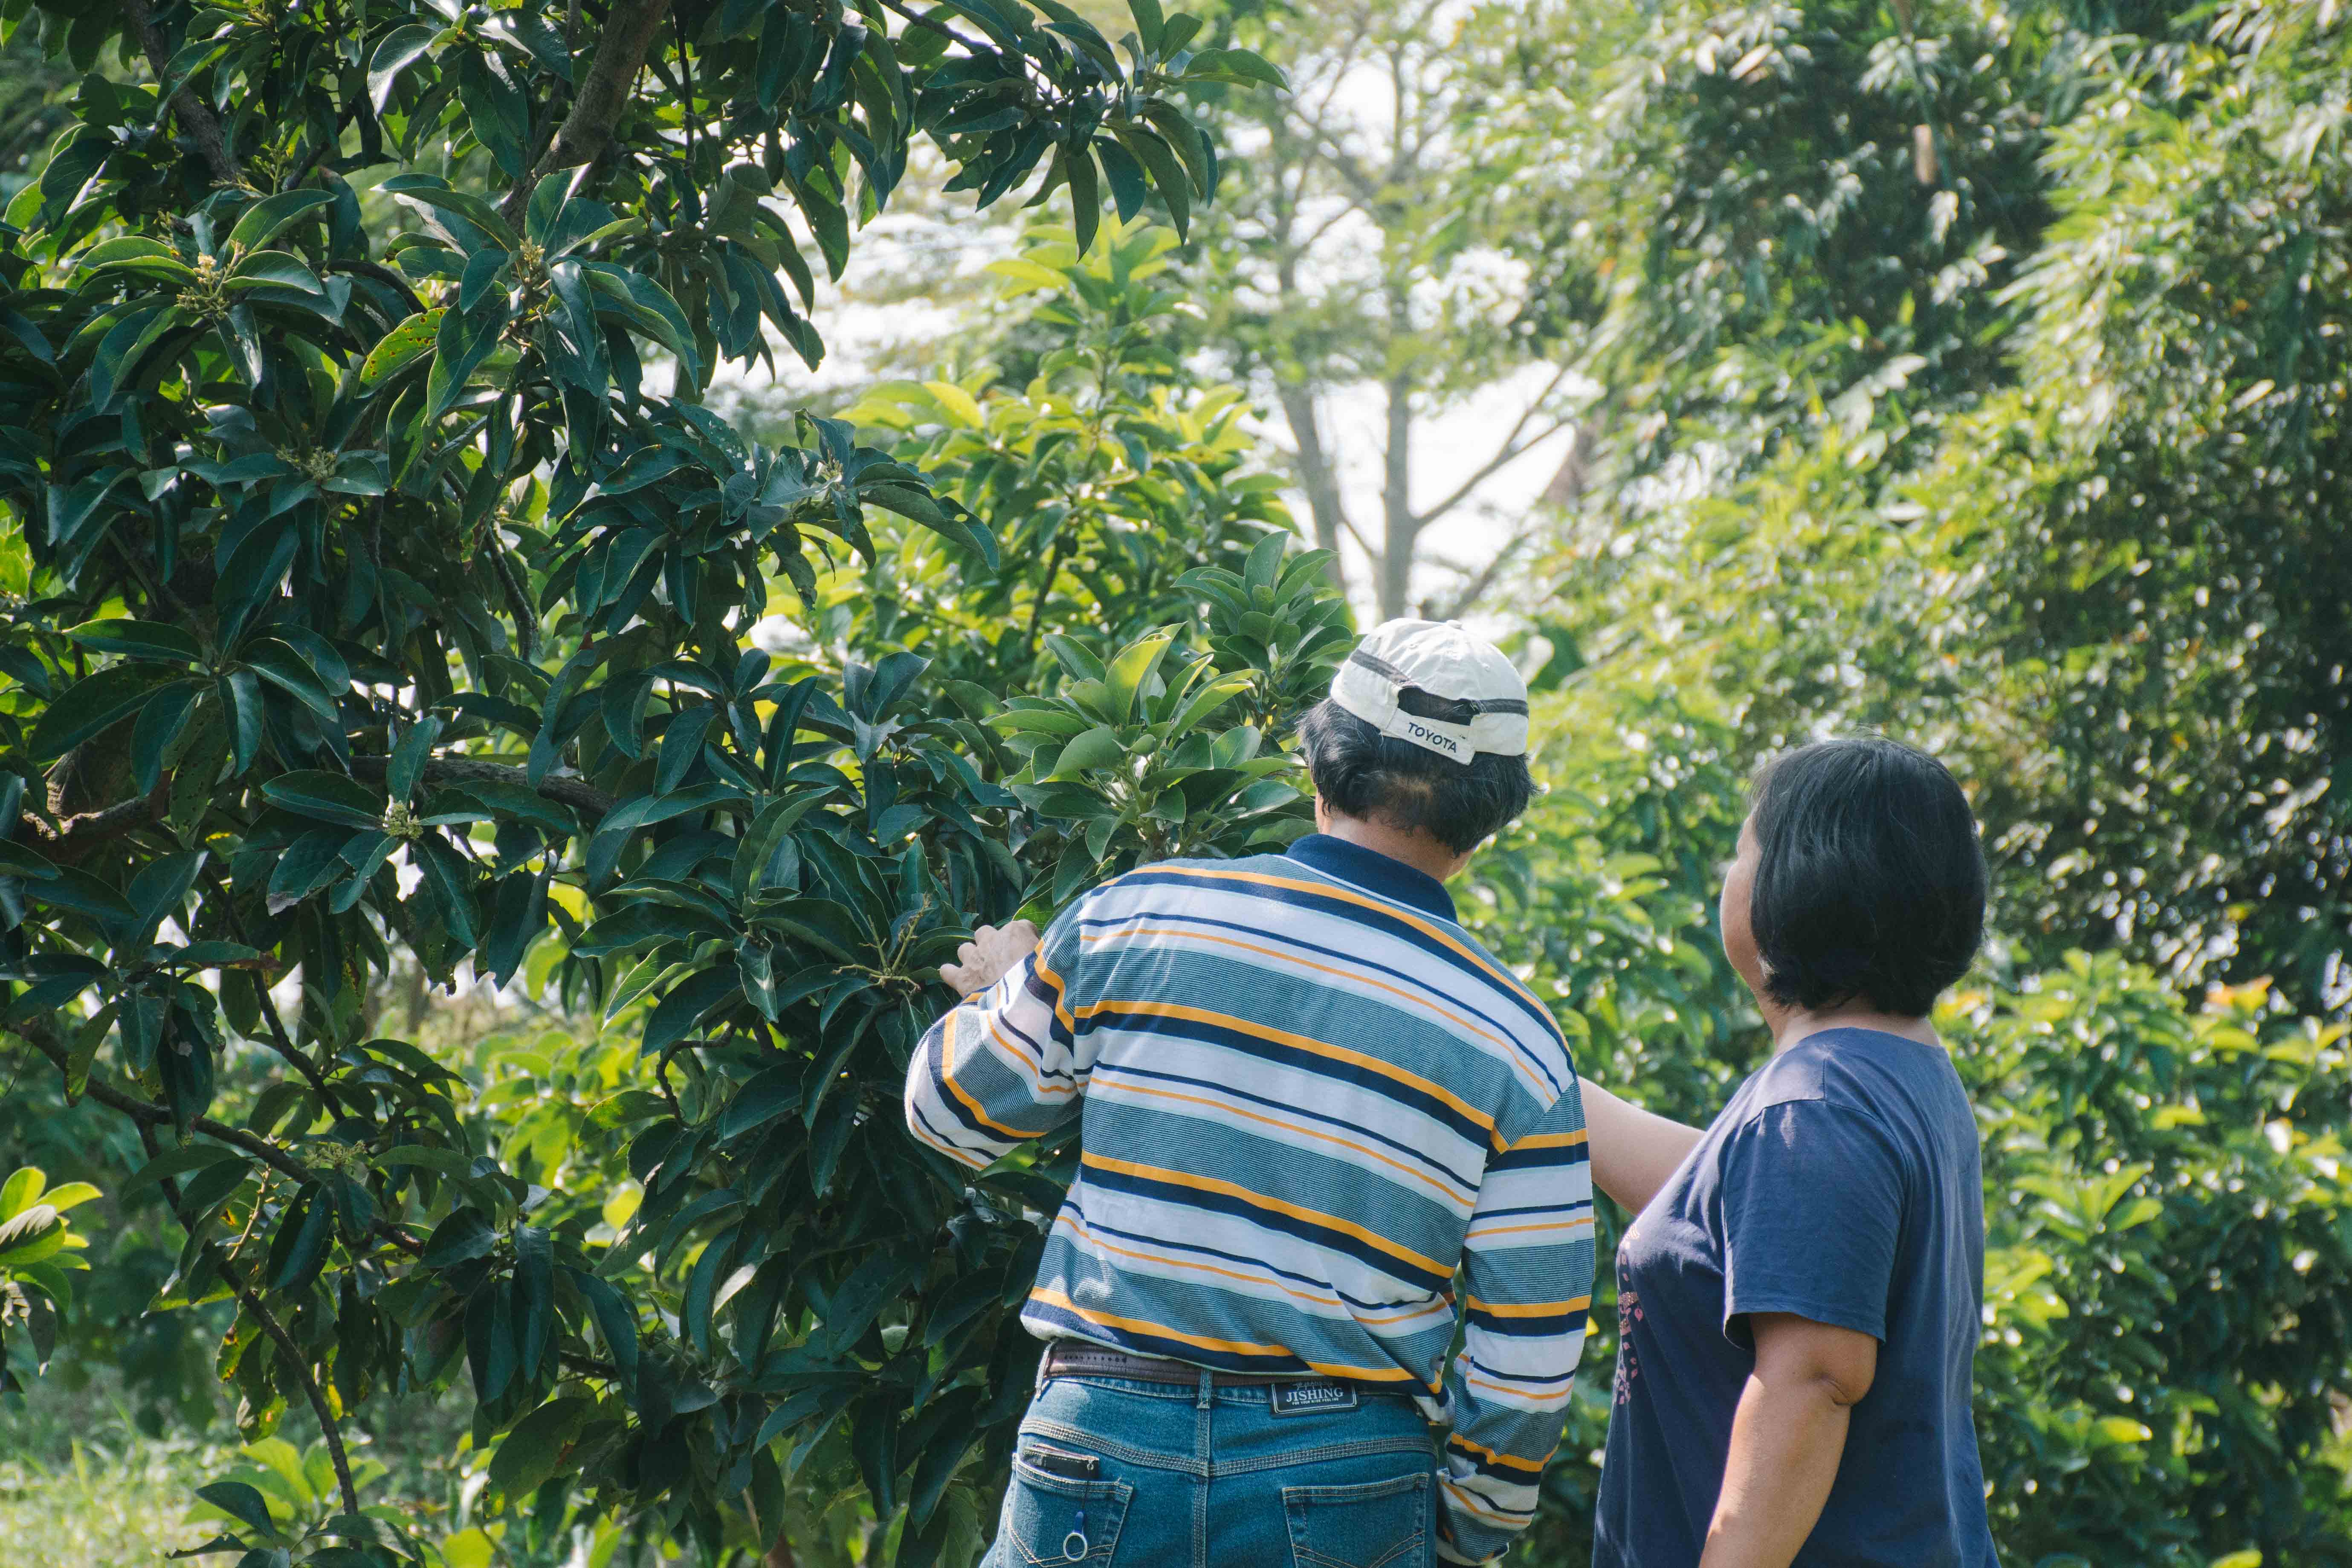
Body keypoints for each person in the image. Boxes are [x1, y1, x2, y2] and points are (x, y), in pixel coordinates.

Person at [905, 619, 1593, 1568]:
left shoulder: (1135, 914)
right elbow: (1528, 1361)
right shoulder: (1519, 1043)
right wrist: (1463, 1535)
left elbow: (949, 1115)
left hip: (1102, 1435)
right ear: (1491, 820)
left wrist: (1002, 992)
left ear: (1322, 768)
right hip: (1349, 1469)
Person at [1579, 736, 2000, 1568]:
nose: (1727, 876)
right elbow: (1732, 1209)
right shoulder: (1891, 1070)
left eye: (1744, 848)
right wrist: (1528, 1073)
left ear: (1798, 879)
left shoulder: (1812, 1107)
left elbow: (1814, 1377)